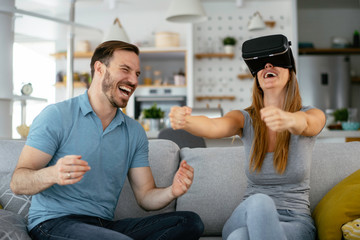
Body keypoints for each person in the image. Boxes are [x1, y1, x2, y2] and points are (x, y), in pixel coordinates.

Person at [10, 40, 204, 240]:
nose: (134, 80)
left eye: (136, 74)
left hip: (103, 226)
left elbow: (146, 196)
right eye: (125, 70)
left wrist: (172, 191)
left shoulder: (134, 132)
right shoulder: (57, 115)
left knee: (189, 222)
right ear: (100, 68)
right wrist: (52, 174)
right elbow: (18, 182)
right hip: (53, 223)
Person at [169, 34, 326, 240]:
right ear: (256, 75)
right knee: (260, 202)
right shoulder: (245, 118)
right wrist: (186, 121)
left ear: (290, 71)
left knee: (239, 238)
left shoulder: (310, 114)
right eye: (261, 64)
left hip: (294, 221)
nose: (267, 65)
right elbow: (215, 125)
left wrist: (289, 120)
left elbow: (308, 123)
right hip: (247, 212)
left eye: (275, 61)